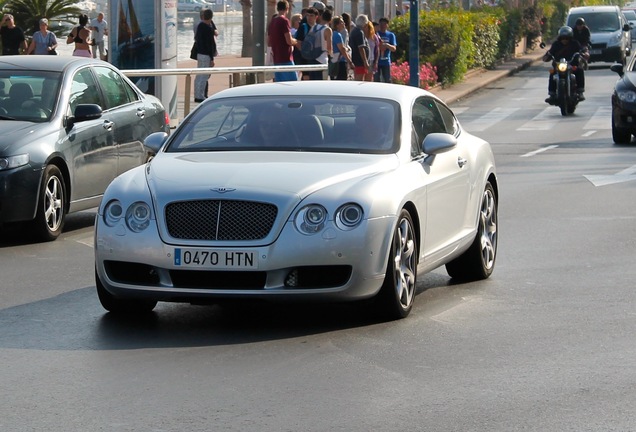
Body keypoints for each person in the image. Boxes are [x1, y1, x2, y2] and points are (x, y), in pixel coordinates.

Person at [542, 26, 585, 104]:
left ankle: (580, 91)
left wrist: (583, 53)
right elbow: (550, 53)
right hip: (559, 66)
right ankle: (552, 94)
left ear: (570, 38)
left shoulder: (575, 44)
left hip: (572, 65)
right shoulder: (556, 44)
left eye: (566, 38)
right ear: (560, 38)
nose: (564, 40)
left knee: (580, 70)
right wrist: (547, 56)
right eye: (563, 38)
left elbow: (581, 50)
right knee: (552, 73)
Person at [269, 1, 298, 82]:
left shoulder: (273, 21)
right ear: (287, 9)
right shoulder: (284, 21)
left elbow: (270, 40)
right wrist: (296, 41)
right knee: (293, 82)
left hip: (277, 57)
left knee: (280, 83)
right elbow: (289, 41)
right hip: (286, 57)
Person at [194, 9, 217, 103]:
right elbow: (209, 45)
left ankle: (197, 94)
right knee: (204, 76)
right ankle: (201, 96)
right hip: (206, 55)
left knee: (199, 76)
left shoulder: (199, 26)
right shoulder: (208, 29)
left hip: (199, 53)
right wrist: (212, 58)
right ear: (211, 18)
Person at [375, 17, 397, 83]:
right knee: (376, 79)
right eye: (381, 24)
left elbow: (394, 48)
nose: (382, 26)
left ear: (387, 25)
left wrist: (387, 45)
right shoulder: (376, 34)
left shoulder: (391, 35)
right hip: (377, 61)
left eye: (384, 24)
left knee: (387, 79)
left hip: (386, 61)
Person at [349, 14, 370, 81]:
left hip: (356, 60)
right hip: (359, 61)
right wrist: (365, 61)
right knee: (359, 79)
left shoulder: (354, 30)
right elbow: (361, 48)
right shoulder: (359, 32)